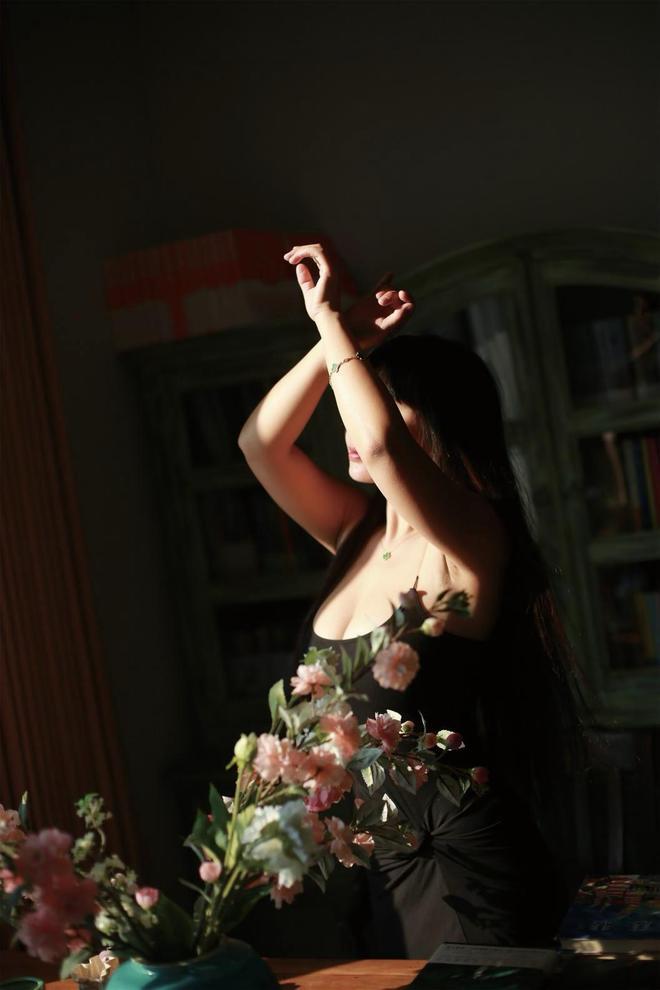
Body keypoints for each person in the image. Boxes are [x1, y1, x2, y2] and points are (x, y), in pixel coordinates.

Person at [238, 242, 588, 958]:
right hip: (380, 866)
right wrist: (342, 335)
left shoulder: (472, 538)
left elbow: (381, 445)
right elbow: (260, 443)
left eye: (377, 397)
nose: (349, 420)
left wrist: (331, 321)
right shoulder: (356, 531)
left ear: (439, 421)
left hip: (466, 870)